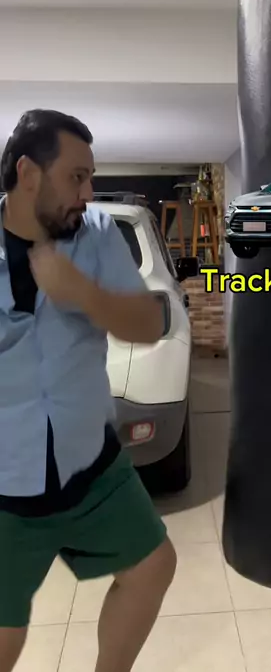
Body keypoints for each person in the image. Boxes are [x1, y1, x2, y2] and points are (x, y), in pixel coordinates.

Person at [0, 110, 177, 672]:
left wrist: (82, 292)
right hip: (4, 486)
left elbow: (148, 324)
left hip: (91, 464)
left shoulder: (96, 234)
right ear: (28, 174)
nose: (88, 193)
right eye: (77, 177)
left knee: (152, 566)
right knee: (4, 635)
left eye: (90, 178)